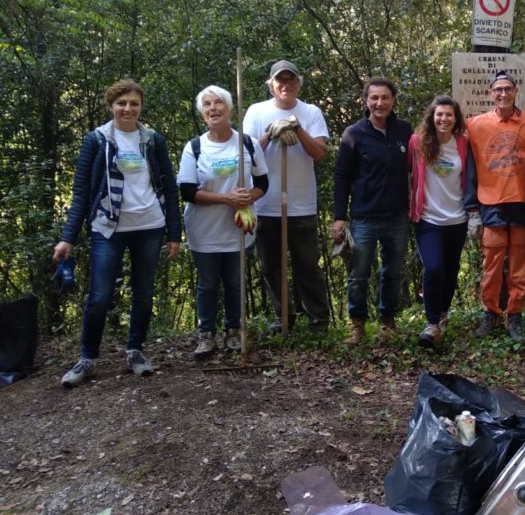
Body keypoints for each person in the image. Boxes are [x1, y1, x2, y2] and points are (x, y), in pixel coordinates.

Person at [54, 79, 182, 388]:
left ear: (141, 107)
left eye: (134, 103)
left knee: (143, 294)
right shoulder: (96, 140)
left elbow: (169, 188)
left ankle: (135, 352)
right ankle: (87, 359)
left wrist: (174, 232)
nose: (128, 109)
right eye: (122, 103)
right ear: (111, 106)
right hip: (107, 228)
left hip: (149, 226)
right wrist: (68, 236)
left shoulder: (153, 140)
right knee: (99, 296)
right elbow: (82, 191)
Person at [178, 86, 269, 358]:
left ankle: (233, 331)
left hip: (238, 229)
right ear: (202, 112)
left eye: (219, 103)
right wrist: (225, 199)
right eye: (207, 104)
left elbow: (263, 183)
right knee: (207, 284)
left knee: (234, 282)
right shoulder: (194, 147)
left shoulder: (247, 143)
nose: (213, 108)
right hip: (204, 230)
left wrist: (247, 197)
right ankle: (206, 335)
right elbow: (187, 191)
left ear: (229, 109)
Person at [242, 60, 330, 333]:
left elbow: (319, 152)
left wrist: (297, 128)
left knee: (307, 265)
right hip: (266, 202)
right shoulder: (257, 112)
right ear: (271, 84)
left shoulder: (311, 112)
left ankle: (318, 322)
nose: (286, 85)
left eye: (291, 80)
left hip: (302, 204)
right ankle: (284, 317)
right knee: (270, 266)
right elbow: (245, 154)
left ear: (298, 84)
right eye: (280, 80)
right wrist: (269, 134)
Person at [466, 71, 525, 342]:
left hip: (524, 203)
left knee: (520, 265)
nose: (503, 94)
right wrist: (471, 208)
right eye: (498, 89)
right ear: (491, 93)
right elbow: (469, 168)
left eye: (507, 89)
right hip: (490, 203)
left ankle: (515, 315)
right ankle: (490, 313)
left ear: (515, 92)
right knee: (491, 263)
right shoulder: (475, 125)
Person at [332, 77, 412, 345]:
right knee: (359, 274)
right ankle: (357, 324)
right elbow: (342, 177)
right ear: (366, 100)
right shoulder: (353, 134)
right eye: (374, 98)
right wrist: (339, 217)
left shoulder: (404, 131)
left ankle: (387, 322)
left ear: (393, 100)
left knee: (392, 272)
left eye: (385, 98)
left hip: (398, 216)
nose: (380, 103)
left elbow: (415, 169)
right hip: (364, 216)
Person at [408, 95, 475, 349]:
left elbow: (469, 177)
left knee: (451, 269)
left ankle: (443, 313)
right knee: (434, 268)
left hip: (456, 218)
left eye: (449, 115)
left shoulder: (462, 144)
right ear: (431, 117)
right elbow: (406, 172)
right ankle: (432, 322)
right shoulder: (417, 142)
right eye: (439, 114)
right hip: (427, 218)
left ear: (456, 118)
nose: (444, 119)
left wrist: (474, 213)